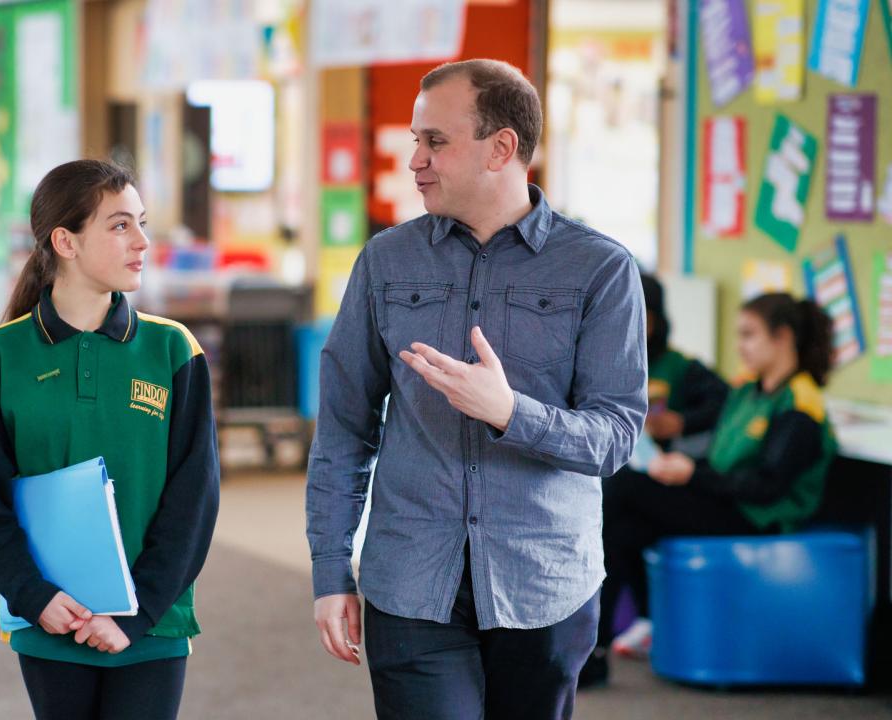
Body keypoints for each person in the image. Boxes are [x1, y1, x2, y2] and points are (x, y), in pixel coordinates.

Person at [306, 59, 647, 720]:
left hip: (544, 581)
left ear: (502, 148)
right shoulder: (386, 260)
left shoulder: (601, 269)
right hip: (410, 580)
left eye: (435, 140)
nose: (415, 160)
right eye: (415, 139)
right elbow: (345, 426)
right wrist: (329, 571)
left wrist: (511, 413)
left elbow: (615, 438)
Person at [0, 160, 219, 720]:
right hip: (49, 619)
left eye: (141, 223)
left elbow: (194, 502)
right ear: (65, 241)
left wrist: (137, 611)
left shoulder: (174, 350)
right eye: (120, 225)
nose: (143, 241)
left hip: (153, 623)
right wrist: (36, 598)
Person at [581, 292, 837, 687]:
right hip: (724, 501)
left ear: (782, 337)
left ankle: (596, 643)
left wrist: (691, 475)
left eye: (749, 335)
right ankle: (593, 654)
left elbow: (767, 487)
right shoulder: (747, 391)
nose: (741, 346)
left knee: (623, 489)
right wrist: (681, 468)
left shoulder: (801, 403)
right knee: (622, 530)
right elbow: (722, 463)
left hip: (757, 518)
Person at [597, 273, 729, 660]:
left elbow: (720, 401)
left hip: (665, 475)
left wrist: (680, 422)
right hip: (617, 472)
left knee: (621, 498)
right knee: (617, 519)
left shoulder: (680, 367)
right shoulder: (606, 358)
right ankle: (600, 640)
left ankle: (609, 635)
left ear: (655, 318)